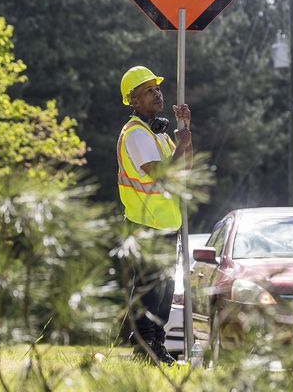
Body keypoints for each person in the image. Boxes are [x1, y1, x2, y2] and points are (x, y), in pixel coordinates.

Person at [116, 65, 192, 365]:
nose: (157, 92)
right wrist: (181, 143)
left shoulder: (158, 133)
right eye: (148, 90)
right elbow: (161, 174)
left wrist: (185, 130)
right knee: (150, 289)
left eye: (157, 88)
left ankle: (157, 345)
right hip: (145, 221)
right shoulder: (135, 134)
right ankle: (144, 346)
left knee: (165, 288)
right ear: (133, 101)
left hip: (166, 221)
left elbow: (185, 167)